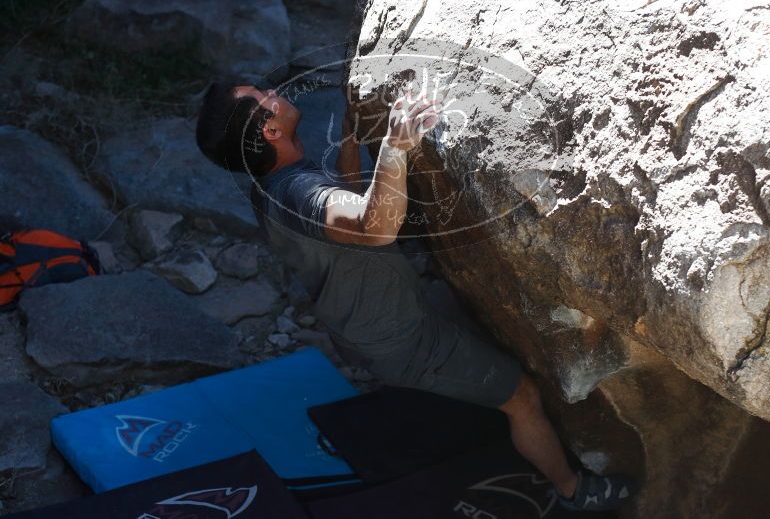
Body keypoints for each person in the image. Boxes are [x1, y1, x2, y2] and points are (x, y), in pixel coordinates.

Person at [195, 82, 636, 511]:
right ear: (271, 129)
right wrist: (394, 147)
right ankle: (572, 490)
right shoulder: (298, 192)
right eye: (263, 96)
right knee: (522, 397)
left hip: (365, 325)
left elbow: (344, 212)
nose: (275, 91)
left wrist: (350, 140)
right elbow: (374, 229)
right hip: (403, 340)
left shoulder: (271, 186)